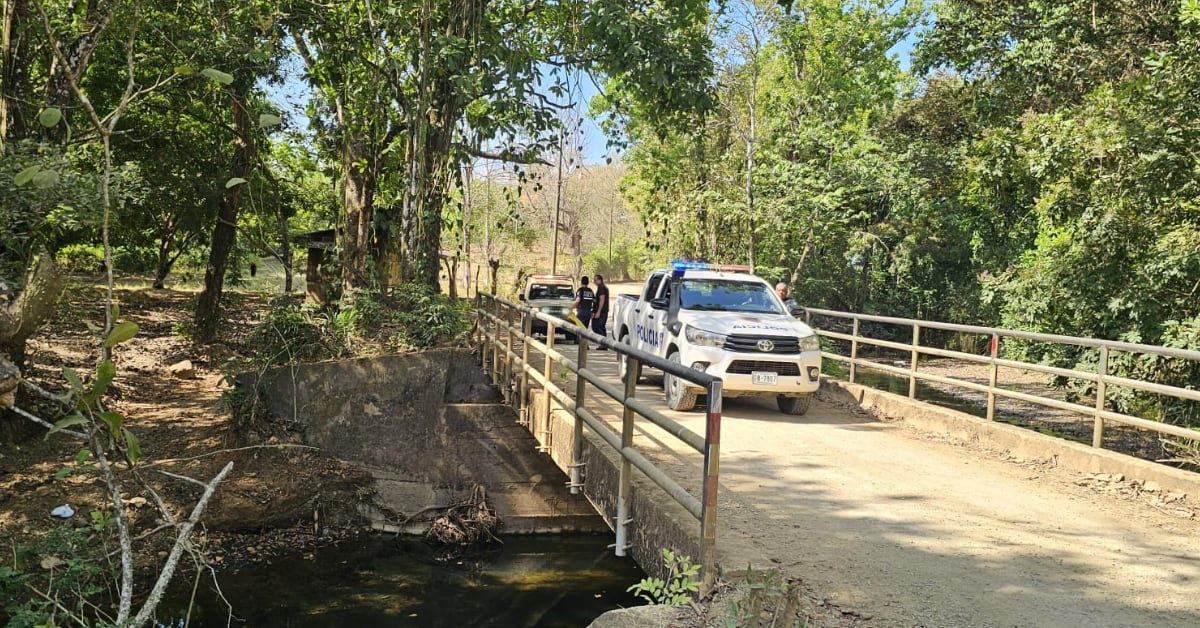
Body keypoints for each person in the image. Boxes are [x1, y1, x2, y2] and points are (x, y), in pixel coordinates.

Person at [573, 276, 596, 344]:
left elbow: (578, 300)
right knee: (585, 328)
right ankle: (584, 343)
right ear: (588, 282)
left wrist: (571, 308)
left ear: (581, 282)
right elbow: (594, 301)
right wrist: (593, 311)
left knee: (579, 327)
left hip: (581, 311)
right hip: (588, 312)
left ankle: (580, 342)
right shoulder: (590, 291)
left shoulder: (580, 290)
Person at [591, 274, 609, 349]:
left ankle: (604, 343)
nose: (594, 282)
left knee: (597, 326)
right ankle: (604, 344)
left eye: (595, 280)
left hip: (602, 311)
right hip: (601, 311)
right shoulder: (600, 288)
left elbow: (602, 300)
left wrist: (598, 311)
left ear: (599, 280)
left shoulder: (602, 288)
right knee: (600, 327)